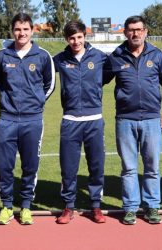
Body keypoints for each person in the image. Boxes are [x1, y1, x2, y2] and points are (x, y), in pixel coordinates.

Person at [104, 15, 162, 225]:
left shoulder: (157, 55)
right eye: (131, 30)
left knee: (152, 167)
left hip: (152, 119)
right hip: (125, 120)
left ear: (146, 31)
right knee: (129, 168)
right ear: (125, 32)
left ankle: (152, 207)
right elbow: (98, 80)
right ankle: (131, 208)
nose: (135, 33)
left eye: (139, 29)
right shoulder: (116, 56)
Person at [0, 13, 55, 225]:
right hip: (7, 119)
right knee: (3, 165)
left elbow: (50, 84)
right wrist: (8, 102)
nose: (22, 33)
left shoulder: (43, 56)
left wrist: (36, 102)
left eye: (26, 29)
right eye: (18, 29)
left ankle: (26, 206)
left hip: (32, 119)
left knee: (30, 165)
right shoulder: (2, 56)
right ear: (12, 31)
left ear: (32, 31)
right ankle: (7, 207)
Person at [53, 21, 107, 224]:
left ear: (85, 36)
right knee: (68, 167)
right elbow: (42, 73)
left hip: (94, 119)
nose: (76, 41)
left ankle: (96, 206)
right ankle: (68, 207)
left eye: (79, 37)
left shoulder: (100, 57)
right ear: (67, 39)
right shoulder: (59, 59)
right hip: (70, 120)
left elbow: (108, 75)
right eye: (71, 38)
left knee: (96, 166)